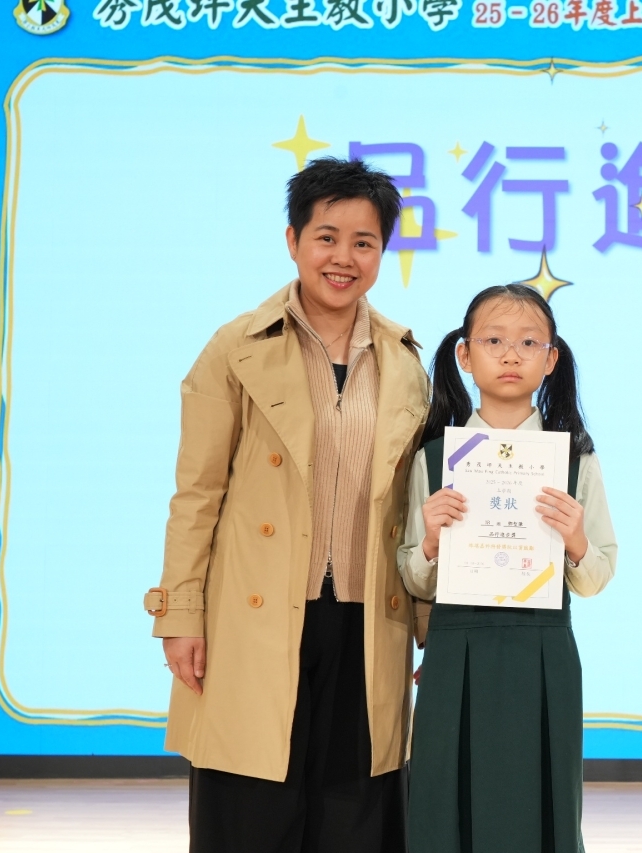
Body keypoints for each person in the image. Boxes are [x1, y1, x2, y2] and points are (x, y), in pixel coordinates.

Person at [145, 157, 429, 852]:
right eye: (326, 237)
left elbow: (418, 507)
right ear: (293, 240)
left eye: (364, 242)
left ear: (383, 253)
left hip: (368, 623)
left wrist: (434, 626)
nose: (344, 258)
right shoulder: (236, 347)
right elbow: (197, 494)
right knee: (250, 813)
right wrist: (181, 614)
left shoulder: (405, 361)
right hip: (255, 619)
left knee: (354, 819)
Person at [397, 283, 618, 853]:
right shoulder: (433, 457)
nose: (511, 355)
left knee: (541, 805)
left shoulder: (576, 459)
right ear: (465, 355)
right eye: (493, 341)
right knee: (446, 804)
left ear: (551, 359)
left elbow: (597, 577)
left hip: (542, 652)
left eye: (528, 343)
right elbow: (412, 576)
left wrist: (575, 540)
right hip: (455, 651)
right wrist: (430, 541)